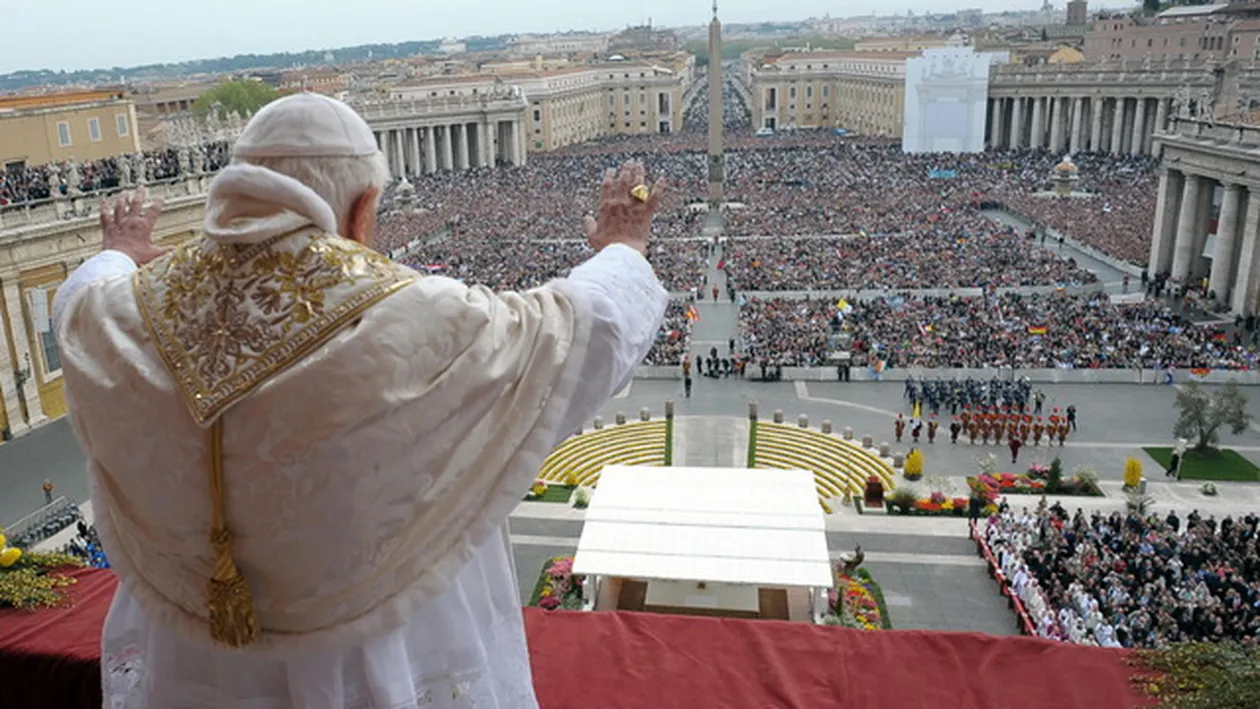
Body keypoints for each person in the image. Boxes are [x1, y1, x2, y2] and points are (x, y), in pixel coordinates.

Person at [53, 94, 670, 709]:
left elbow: (78, 295)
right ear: (363, 209)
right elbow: (583, 328)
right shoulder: (417, 320)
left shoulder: (115, 312)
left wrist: (119, 248)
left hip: (197, 661)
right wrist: (622, 244)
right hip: (374, 663)